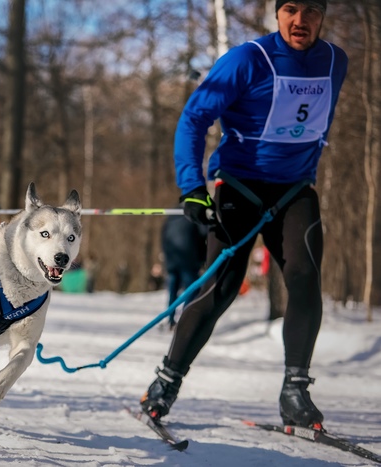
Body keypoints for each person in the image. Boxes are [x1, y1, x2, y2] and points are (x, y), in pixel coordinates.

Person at [141, 0, 347, 431]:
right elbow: (194, 118)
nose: (300, 20)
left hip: (295, 190)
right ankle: (166, 381)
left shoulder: (334, 61)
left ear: (323, 14)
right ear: (277, 13)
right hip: (239, 187)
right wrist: (192, 188)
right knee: (222, 287)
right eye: (290, 8)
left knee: (305, 278)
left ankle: (295, 390)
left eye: (312, 9)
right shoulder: (246, 60)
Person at [161, 206, 208, 309]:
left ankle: (171, 318)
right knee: (192, 290)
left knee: (173, 290)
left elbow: (163, 237)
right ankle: (186, 318)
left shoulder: (170, 217)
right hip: (189, 258)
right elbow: (204, 232)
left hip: (172, 259)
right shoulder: (194, 212)